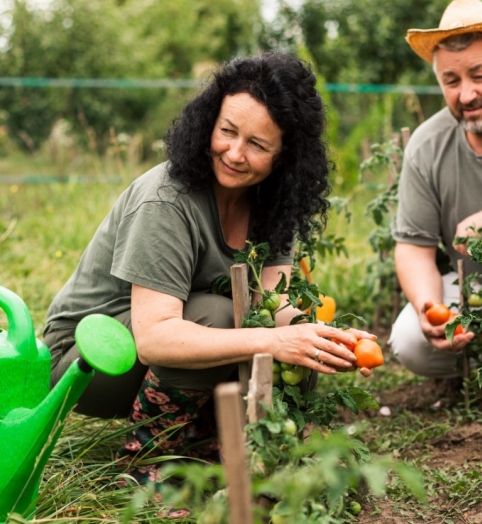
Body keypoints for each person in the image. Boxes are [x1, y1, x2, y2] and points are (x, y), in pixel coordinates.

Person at [43, 53, 375, 486]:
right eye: (227, 132)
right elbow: (155, 339)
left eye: (257, 145)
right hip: (84, 360)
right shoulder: (167, 200)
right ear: (208, 123)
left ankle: (212, 444)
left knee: (296, 339)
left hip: (148, 348)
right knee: (216, 315)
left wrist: (326, 339)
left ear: (284, 157)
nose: (235, 154)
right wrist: (275, 339)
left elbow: (272, 306)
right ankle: (148, 463)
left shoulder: (273, 205)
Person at [389, 0, 482, 380]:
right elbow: (414, 247)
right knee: (411, 339)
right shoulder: (428, 144)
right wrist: (429, 307)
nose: (465, 95)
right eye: (452, 81)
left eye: (478, 76)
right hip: (476, 293)